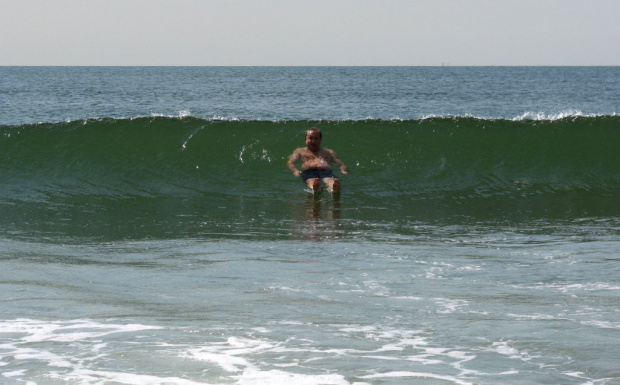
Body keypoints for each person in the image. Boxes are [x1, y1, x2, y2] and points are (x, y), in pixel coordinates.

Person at [287, 127, 348, 193]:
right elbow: (290, 163)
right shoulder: (300, 151)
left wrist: (343, 170)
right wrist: (295, 170)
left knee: (329, 180)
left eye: (316, 138)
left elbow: (340, 163)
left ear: (320, 140)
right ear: (305, 139)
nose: (313, 141)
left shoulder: (329, 152)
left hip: (326, 172)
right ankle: (315, 188)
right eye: (310, 138)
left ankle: (333, 188)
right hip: (309, 171)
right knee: (311, 180)